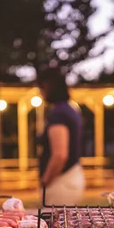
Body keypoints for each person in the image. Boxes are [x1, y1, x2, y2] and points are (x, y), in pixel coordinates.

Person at [37, 67, 85, 205]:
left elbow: (60, 155)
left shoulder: (58, 113)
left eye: (41, 88)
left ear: (47, 87)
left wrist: (45, 180)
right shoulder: (70, 110)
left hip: (61, 182)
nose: (40, 93)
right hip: (72, 177)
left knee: (56, 225)